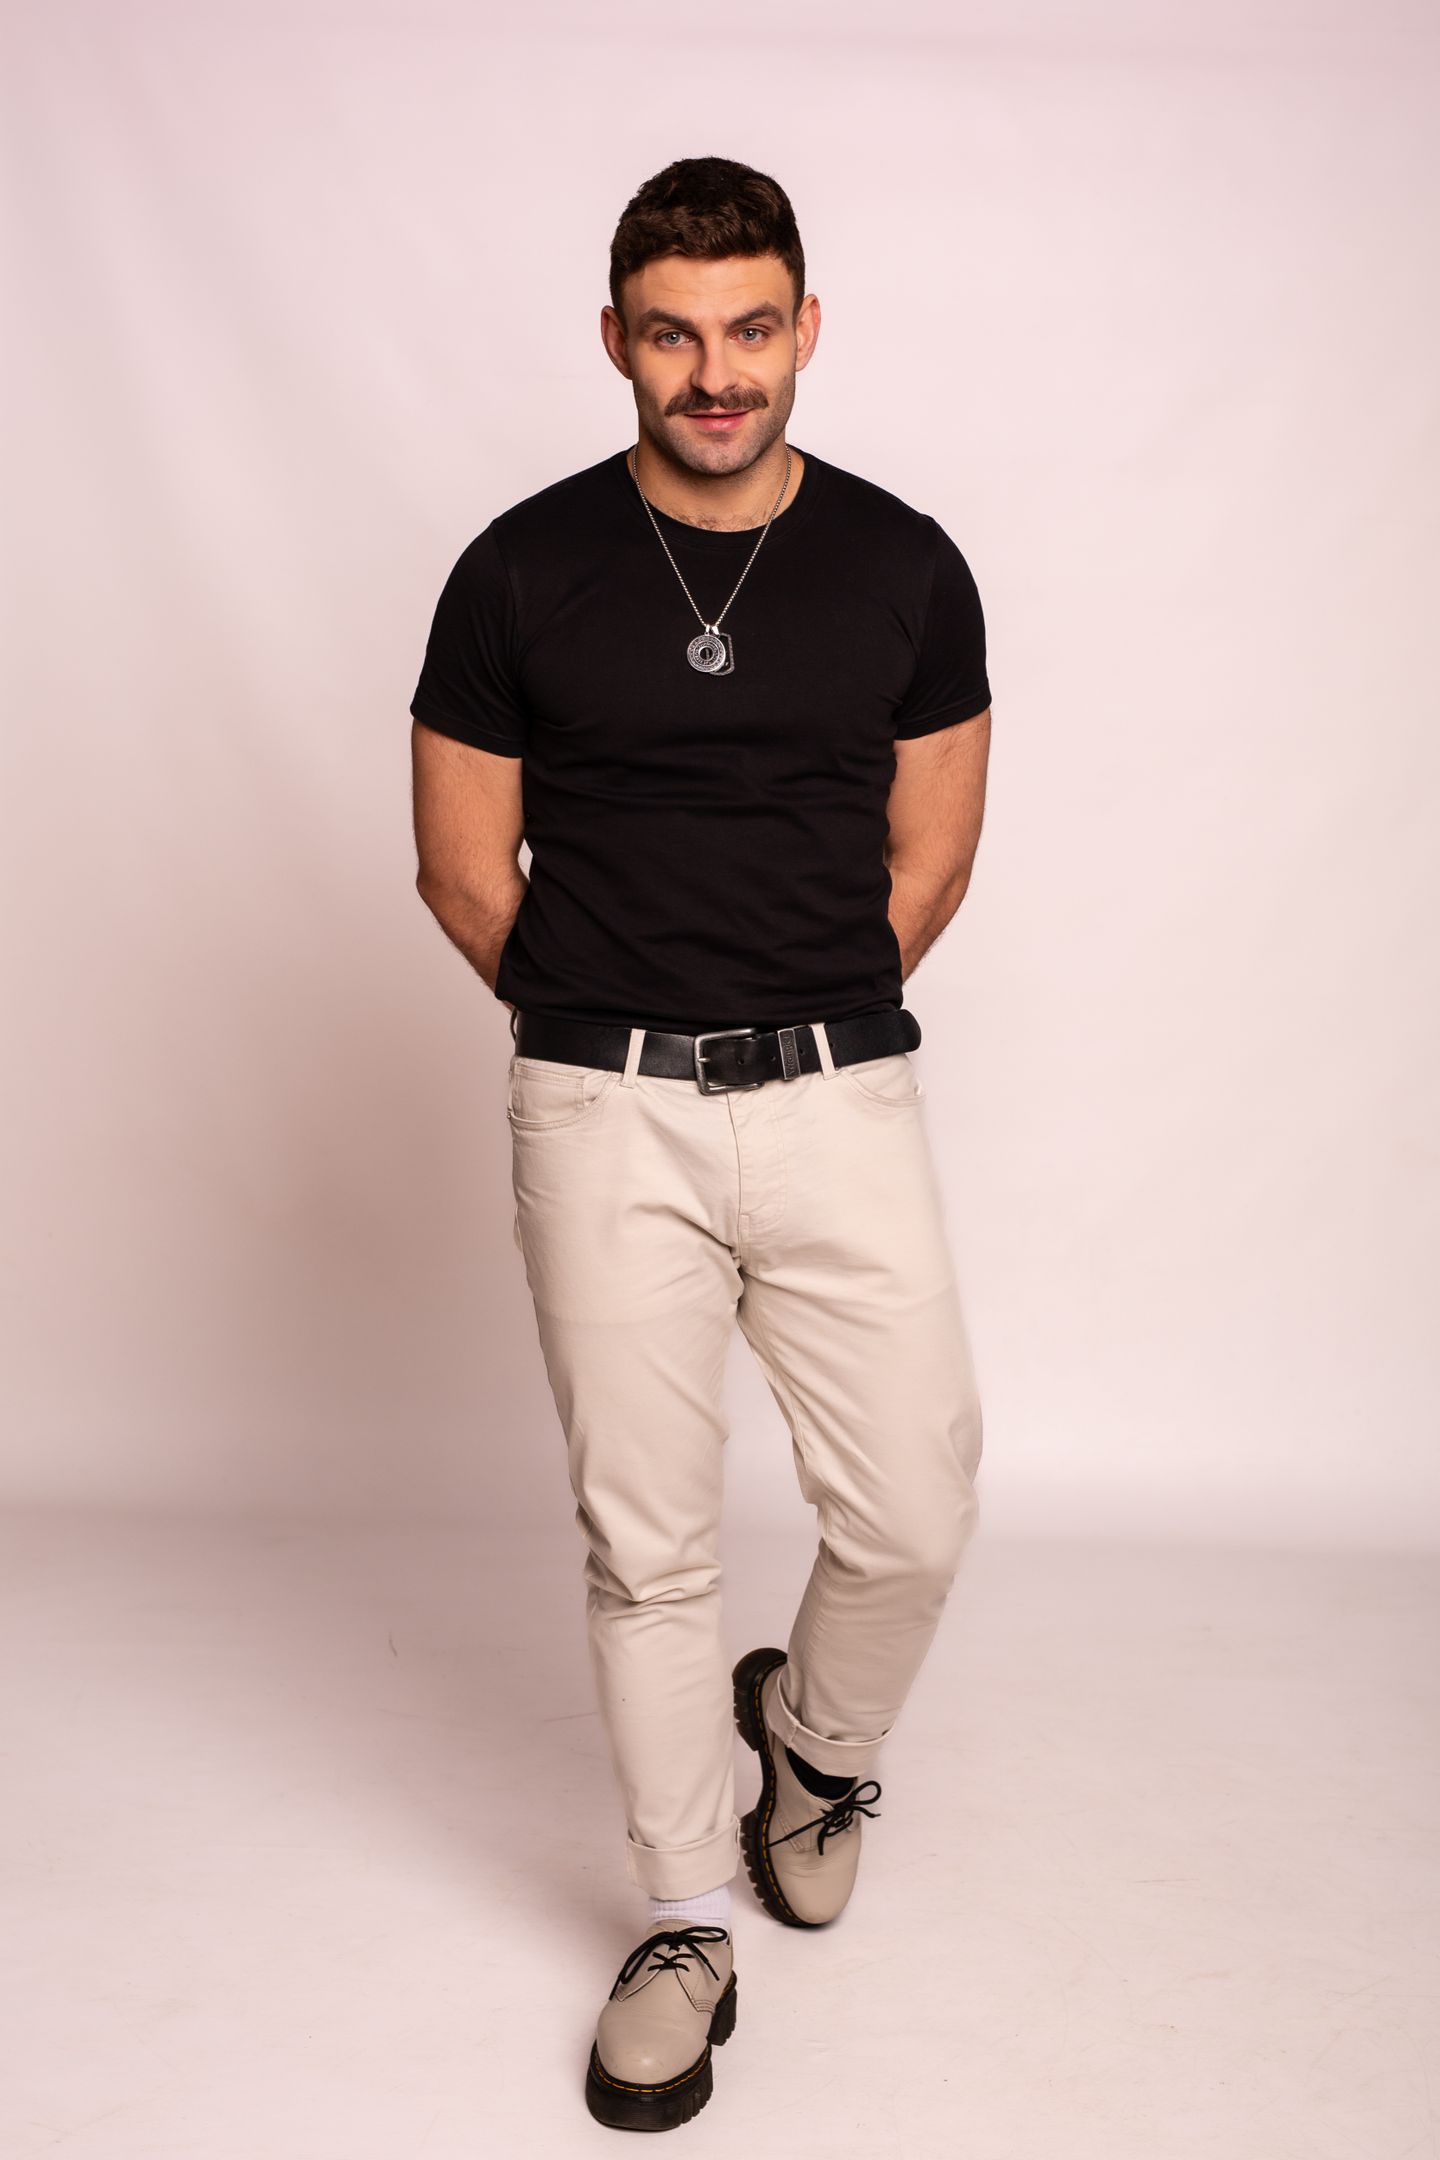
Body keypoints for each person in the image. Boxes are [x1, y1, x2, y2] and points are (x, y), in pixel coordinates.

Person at [408, 154, 992, 2134]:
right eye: (674, 334)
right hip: (603, 1110)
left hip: (839, 1093)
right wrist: (615, 1030)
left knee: (914, 1506)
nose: (716, 371)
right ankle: (681, 1924)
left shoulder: (907, 565)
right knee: (645, 1543)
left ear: (806, 329)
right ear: (616, 342)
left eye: (751, 329)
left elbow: (931, 858)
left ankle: (812, 1746)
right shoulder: (518, 570)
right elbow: (462, 869)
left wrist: (788, 1011)